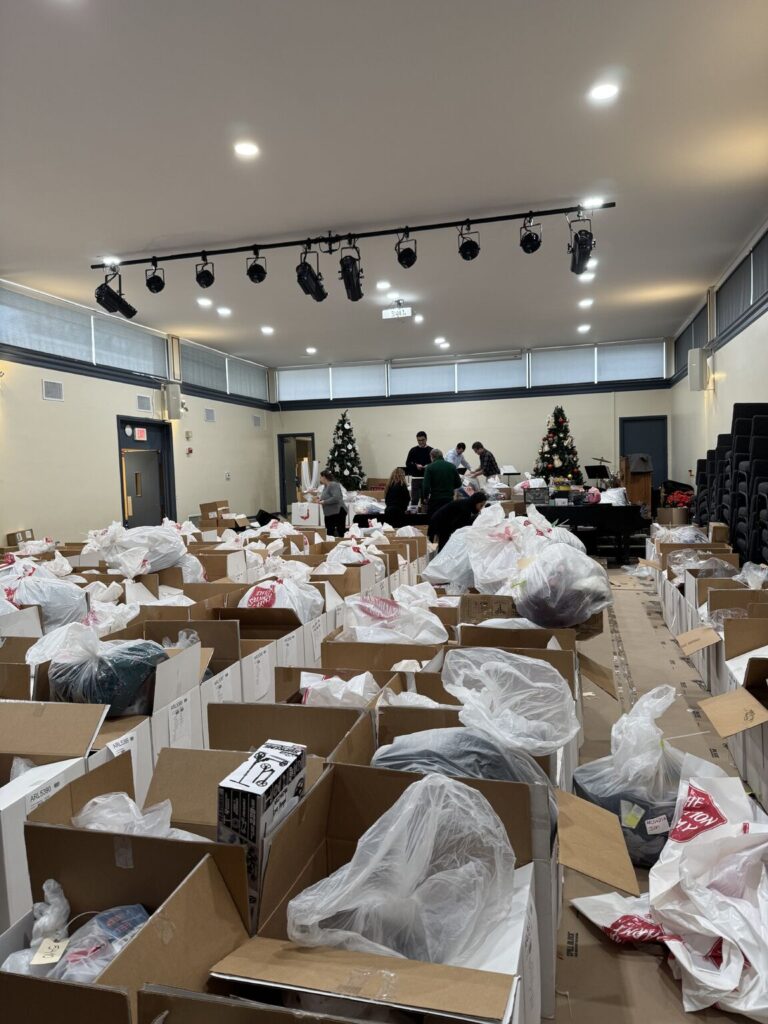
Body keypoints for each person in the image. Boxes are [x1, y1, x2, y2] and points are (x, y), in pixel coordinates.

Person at [422, 448, 461, 519]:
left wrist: (425, 497)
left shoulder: (429, 467)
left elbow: (426, 486)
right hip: (449, 499)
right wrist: (449, 488)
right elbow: (459, 483)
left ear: (432, 457)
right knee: (447, 520)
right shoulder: (452, 466)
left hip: (435, 500)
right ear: (442, 456)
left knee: (434, 520)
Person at [405, 430, 433, 505]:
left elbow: (435, 464)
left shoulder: (431, 450)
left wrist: (428, 466)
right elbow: (407, 463)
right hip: (415, 478)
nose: (421, 442)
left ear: (426, 439)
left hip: (426, 478)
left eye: (422, 440)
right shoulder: (413, 450)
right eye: (419, 440)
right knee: (414, 500)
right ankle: (414, 512)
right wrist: (416, 466)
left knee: (425, 500)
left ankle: (425, 512)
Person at [317, 468, 346, 537]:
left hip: (337, 512)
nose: (320, 478)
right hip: (330, 512)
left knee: (338, 532)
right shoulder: (326, 486)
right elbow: (327, 496)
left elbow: (336, 498)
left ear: (324, 477)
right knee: (329, 532)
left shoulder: (333, 485)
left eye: (321, 477)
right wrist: (319, 500)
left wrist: (324, 501)